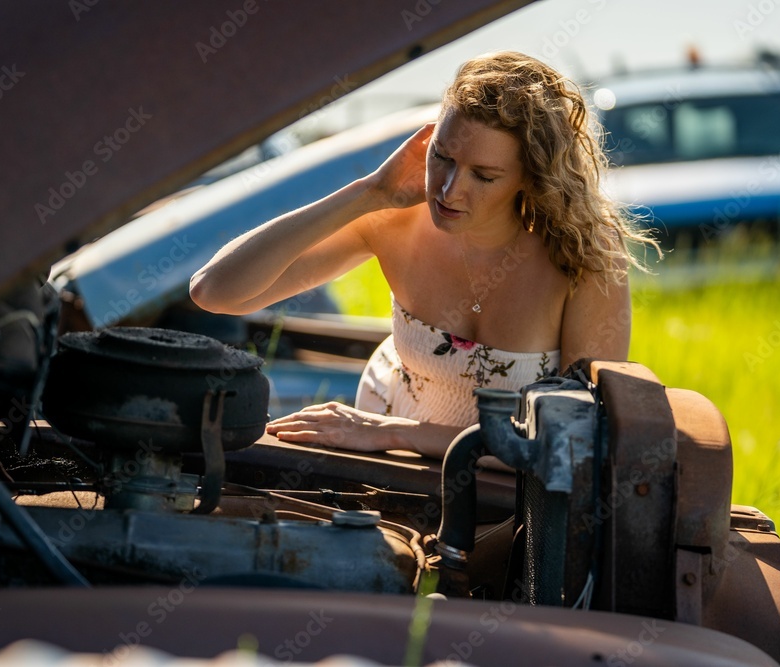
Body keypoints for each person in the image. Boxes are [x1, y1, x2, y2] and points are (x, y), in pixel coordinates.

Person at [190, 51, 656, 459]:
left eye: (484, 175)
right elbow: (214, 292)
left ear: (531, 178)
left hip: (498, 490)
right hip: (381, 461)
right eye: (443, 157)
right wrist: (368, 193)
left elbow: (571, 443)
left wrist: (395, 433)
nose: (450, 191)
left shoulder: (582, 260)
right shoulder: (392, 221)